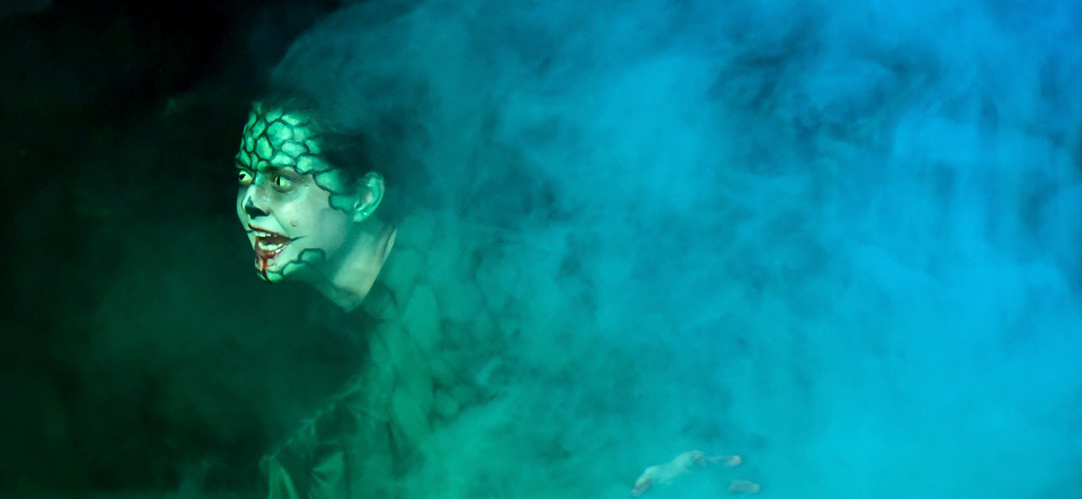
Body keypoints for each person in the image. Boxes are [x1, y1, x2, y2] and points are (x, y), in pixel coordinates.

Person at [233, 90, 757, 498]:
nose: (251, 201)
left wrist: (673, 459)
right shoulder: (340, 341)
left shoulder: (481, 277)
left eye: (281, 181)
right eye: (244, 177)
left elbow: (650, 380)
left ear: (365, 197)